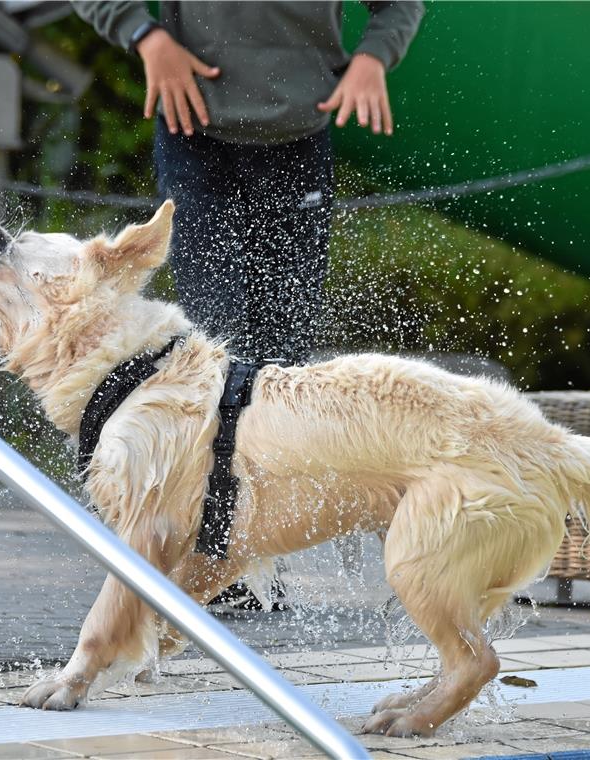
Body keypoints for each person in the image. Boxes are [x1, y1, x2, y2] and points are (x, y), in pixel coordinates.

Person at [72, 0, 424, 606]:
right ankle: (198, 551)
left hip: (299, 138)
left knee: (281, 361)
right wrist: (146, 36)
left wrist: (373, 57)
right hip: (195, 135)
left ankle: (247, 562)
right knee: (212, 355)